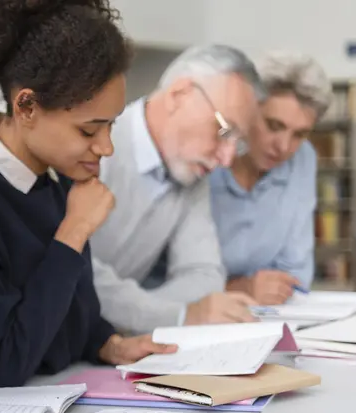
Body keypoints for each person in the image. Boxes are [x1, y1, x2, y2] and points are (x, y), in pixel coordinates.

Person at [0, 0, 177, 389]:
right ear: (26, 106)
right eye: (88, 130)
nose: (106, 148)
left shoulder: (57, 181)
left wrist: (106, 343)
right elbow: (4, 361)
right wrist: (73, 232)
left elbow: (70, 315)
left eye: (110, 127)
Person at [90, 44, 265, 335]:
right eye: (224, 131)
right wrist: (178, 315)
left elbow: (204, 274)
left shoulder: (192, 173)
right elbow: (75, 272)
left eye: (238, 143)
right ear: (179, 94)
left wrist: (138, 316)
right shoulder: (96, 146)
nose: (227, 159)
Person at [210, 51, 331, 304]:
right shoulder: (207, 151)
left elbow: (295, 274)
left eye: (299, 134)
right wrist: (238, 288)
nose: (284, 146)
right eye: (274, 125)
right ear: (247, 109)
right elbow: (161, 279)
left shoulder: (303, 159)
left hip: (266, 317)